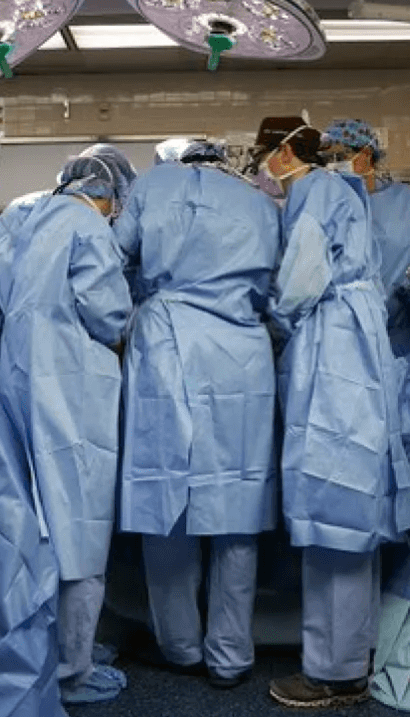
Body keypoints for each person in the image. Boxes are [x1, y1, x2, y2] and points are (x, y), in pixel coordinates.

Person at [251, 116, 410, 709]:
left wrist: (273, 323)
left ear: (282, 153)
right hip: (355, 343)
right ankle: (350, 659)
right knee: (350, 510)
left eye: (263, 156)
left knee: (334, 509)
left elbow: (302, 276)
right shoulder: (339, 190)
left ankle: (333, 672)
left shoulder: (313, 193)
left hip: (335, 347)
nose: (263, 168)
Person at [0, 155, 133, 705]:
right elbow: (107, 314)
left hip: (17, 383)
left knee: (35, 522)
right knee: (79, 526)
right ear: (110, 196)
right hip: (72, 393)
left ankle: (42, 650)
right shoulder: (90, 226)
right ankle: (71, 671)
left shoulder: (21, 220)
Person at [115, 138, 280, 689]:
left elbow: (113, 259)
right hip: (242, 355)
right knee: (238, 506)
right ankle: (230, 656)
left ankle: (181, 647)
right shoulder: (258, 201)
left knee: (167, 503)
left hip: (166, 347)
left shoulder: (152, 186)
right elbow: (278, 287)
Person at [319, 119, 410, 331]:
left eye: (340, 157)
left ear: (366, 154)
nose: (332, 165)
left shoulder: (405, 201)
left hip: (401, 323)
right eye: (326, 159)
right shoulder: (328, 205)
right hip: (348, 325)